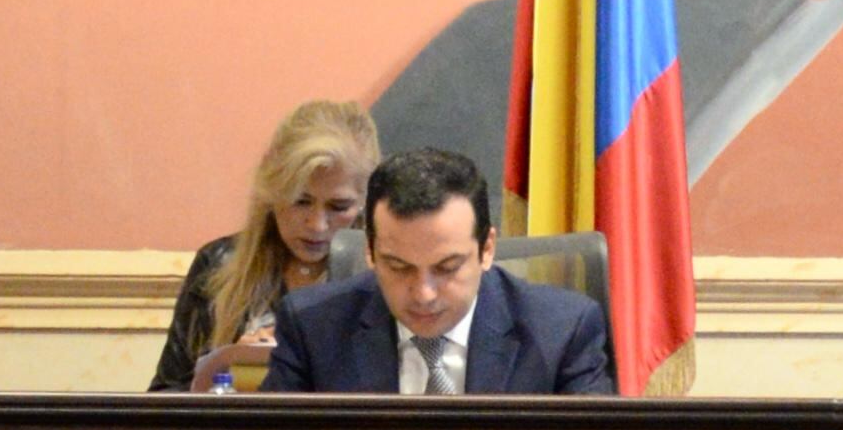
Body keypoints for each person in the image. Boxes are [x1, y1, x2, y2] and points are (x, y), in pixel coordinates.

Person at [261, 148, 618, 395]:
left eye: (447, 268)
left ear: (487, 249)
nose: (424, 293)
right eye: (399, 267)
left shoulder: (562, 332)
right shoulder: (311, 328)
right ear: (369, 251)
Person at [147, 100, 378, 392]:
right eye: (300, 201)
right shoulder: (219, 263)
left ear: (363, 203)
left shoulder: (382, 275)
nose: (318, 225)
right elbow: (165, 401)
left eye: (339, 206)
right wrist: (231, 368)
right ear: (272, 193)